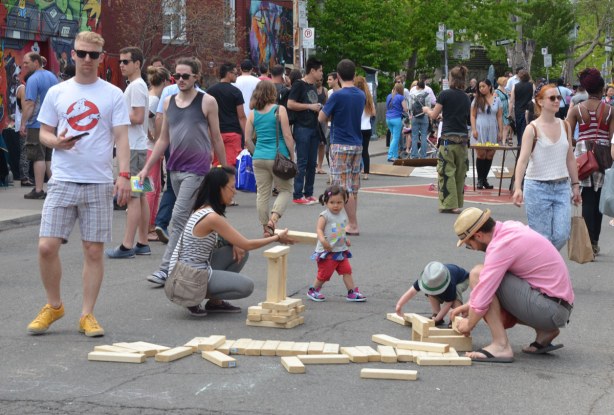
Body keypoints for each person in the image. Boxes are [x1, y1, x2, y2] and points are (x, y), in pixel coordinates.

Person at [26, 31, 131, 337]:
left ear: (101, 57)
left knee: (94, 251)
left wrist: (124, 176)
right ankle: (54, 306)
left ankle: (87, 314)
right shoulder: (59, 92)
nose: (87, 59)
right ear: (72, 54)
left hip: (98, 182)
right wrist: (56, 142)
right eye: (81, 53)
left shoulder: (113, 94)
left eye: (93, 55)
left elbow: (122, 138)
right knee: (46, 246)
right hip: (62, 180)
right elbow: (43, 132)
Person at [138, 57, 227, 286]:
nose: (180, 80)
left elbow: (216, 137)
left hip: (196, 170)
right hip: (174, 168)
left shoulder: (207, 101)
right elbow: (163, 139)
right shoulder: (168, 102)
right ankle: (202, 261)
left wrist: (226, 170)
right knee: (191, 220)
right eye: (176, 76)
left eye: (185, 76)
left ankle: (165, 269)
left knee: (177, 219)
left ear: (196, 77)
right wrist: (147, 168)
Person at [450, 207, 574, 362]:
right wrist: (470, 305)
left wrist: (469, 323)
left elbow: (485, 291)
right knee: (485, 283)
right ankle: (544, 331)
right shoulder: (508, 229)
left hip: (550, 308)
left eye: (469, 245)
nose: (472, 249)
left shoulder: (500, 246)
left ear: (478, 236)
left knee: (477, 274)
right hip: (558, 307)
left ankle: (500, 346)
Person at [170, 166, 295, 316]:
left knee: (240, 251)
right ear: (219, 189)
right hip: (185, 280)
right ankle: (193, 298)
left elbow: (236, 241)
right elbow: (247, 243)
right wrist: (277, 238)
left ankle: (214, 302)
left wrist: (234, 243)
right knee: (246, 286)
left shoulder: (204, 210)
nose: (234, 192)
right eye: (231, 187)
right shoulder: (211, 217)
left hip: (183, 273)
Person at [512, 85, 582, 250]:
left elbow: (570, 159)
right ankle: (542, 271)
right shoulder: (532, 129)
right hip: (537, 187)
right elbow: (522, 161)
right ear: (540, 102)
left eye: (558, 97)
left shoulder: (565, 125)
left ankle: (540, 265)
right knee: (542, 238)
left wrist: (576, 185)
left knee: (562, 234)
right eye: (552, 98)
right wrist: (517, 187)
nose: (557, 101)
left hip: (562, 187)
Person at [106, 46, 151, 259]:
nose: (121, 65)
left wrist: (116, 116)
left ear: (137, 64)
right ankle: (142, 242)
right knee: (140, 196)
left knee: (134, 197)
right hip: (138, 148)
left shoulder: (136, 86)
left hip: (133, 149)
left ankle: (127, 245)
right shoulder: (137, 85)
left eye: (126, 61)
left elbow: (139, 117)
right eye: (120, 61)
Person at [566, 68, 614, 255]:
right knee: (599, 199)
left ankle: (587, 243)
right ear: (602, 89)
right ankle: (594, 241)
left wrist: (579, 143)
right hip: (603, 156)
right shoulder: (610, 110)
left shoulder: (577, 109)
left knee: (586, 198)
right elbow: (612, 137)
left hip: (583, 154)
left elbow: (567, 135)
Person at [318, 59, 365, 235]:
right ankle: (351, 221)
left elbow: (321, 118)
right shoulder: (360, 94)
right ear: (354, 74)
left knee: (343, 187)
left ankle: (352, 224)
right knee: (353, 186)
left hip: (340, 143)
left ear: (337, 76)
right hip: (356, 143)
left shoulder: (337, 95)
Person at [244, 81, 295, 237]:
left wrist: (256, 152)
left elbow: (247, 140)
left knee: (262, 193)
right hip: (278, 157)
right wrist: (292, 156)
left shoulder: (253, 113)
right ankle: (274, 219)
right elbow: (287, 136)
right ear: (272, 93)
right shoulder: (279, 110)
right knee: (285, 190)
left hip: (259, 157)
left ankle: (266, 227)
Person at [423, 65, 471, 214]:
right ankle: (457, 203)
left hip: (448, 138)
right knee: (460, 172)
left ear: (451, 79)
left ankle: (449, 203)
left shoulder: (445, 94)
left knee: (446, 171)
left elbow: (433, 114)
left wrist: (427, 110)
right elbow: (465, 118)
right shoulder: (466, 97)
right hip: (462, 139)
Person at [306, 185, 366, 302]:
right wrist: (323, 241)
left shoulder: (342, 216)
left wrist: (345, 239)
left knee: (347, 270)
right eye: (332, 202)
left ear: (345, 202)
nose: (336, 205)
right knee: (325, 274)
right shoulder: (325, 215)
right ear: (326, 202)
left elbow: (340, 230)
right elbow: (319, 229)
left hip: (340, 250)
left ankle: (351, 291)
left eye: (339, 202)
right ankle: (313, 290)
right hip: (327, 251)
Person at [20, 52, 58, 199]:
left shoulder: (33, 79)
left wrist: (23, 123)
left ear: (36, 62)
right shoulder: (52, 77)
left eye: (26, 63)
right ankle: (56, 189)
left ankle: (38, 190)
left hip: (37, 124)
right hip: (52, 123)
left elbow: (30, 104)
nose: (24, 66)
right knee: (48, 157)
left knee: (38, 157)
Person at [288, 57, 324, 205]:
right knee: (302, 162)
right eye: (320, 70)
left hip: (313, 127)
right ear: (312, 70)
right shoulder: (299, 84)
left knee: (311, 163)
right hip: (302, 127)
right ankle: (297, 194)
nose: (322, 73)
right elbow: (290, 104)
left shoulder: (314, 86)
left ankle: (308, 193)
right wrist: (310, 107)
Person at [395, 261, 469, 326]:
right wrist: (399, 304)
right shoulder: (426, 279)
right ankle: (436, 313)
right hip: (445, 278)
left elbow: (448, 303)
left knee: (456, 294)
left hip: (462, 280)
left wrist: (436, 320)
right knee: (431, 292)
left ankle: (454, 318)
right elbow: (411, 292)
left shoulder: (450, 284)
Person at [145, 66, 171, 242]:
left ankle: (150, 224)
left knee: (152, 188)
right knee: (150, 189)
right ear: (165, 81)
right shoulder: (154, 99)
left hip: (147, 147)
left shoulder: (149, 96)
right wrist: (154, 138)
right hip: (149, 147)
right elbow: (148, 120)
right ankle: (147, 226)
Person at [206, 62, 247, 169]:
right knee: (231, 166)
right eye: (235, 73)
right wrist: (247, 135)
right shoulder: (235, 92)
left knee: (216, 165)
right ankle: (229, 185)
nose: (236, 76)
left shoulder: (210, 91)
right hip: (233, 133)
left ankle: (218, 185)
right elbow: (241, 116)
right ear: (228, 74)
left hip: (215, 133)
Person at [470, 79, 503, 190]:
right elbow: (473, 115)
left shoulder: (497, 100)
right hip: (480, 128)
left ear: (489, 86)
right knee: (481, 154)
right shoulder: (477, 99)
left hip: (492, 129)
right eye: (479, 87)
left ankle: (484, 179)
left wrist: (500, 131)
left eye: (483, 86)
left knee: (489, 155)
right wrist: (474, 129)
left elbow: (499, 116)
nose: (481, 89)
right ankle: (480, 179)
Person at [354, 76, 376, 180]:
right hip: (367, 127)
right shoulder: (368, 98)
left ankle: (356, 171)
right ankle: (366, 173)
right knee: (365, 151)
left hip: (357, 127)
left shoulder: (355, 97)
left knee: (356, 151)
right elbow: (373, 113)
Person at [408, 79, 432, 159]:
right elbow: (429, 106)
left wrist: (411, 114)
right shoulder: (427, 94)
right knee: (424, 136)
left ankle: (414, 155)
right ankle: (423, 155)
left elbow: (410, 107)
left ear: (417, 85)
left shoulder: (412, 93)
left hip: (415, 117)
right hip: (424, 116)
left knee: (414, 136)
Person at [509, 69, 534, 147]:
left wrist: (510, 113)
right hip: (529, 110)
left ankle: (520, 145)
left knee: (519, 129)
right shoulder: (532, 85)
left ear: (519, 77)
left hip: (518, 110)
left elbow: (511, 101)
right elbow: (534, 98)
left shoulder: (515, 86)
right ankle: (527, 145)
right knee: (528, 128)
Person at [385, 82, 408, 162]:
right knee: (395, 138)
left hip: (388, 119)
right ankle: (390, 155)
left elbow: (387, 107)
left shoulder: (388, 96)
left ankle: (395, 155)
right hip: (396, 119)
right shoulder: (401, 97)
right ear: (401, 89)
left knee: (394, 137)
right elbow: (405, 109)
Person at [495, 76, 512, 145]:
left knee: (507, 125)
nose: (506, 83)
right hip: (500, 109)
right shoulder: (497, 91)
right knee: (501, 125)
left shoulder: (505, 89)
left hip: (506, 109)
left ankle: (504, 140)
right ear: (502, 82)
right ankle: (500, 139)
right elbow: (495, 100)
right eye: (505, 82)